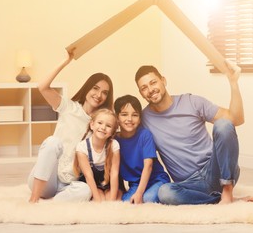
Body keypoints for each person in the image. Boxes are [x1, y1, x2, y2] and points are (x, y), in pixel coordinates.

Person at [134, 60, 253, 205]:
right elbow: (123, 132)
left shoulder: (192, 102)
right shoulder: (144, 119)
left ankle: (227, 192)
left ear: (163, 81)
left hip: (216, 171)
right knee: (165, 193)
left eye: (153, 82)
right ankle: (220, 200)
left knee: (223, 124)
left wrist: (233, 83)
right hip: (189, 184)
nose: (150, 89)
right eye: (144, 88)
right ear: (141, 94)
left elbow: (236, 119)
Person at [27, 49, 114, 203]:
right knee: (53, 142)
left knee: (85, 190)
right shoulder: (69, 107)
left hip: (67, 184)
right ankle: (33, 200)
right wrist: (65, 62)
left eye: (104, 92)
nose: (99, 95)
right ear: (87, 88)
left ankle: (51, 205)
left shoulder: (101, 125)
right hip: (45, 179)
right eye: (95, 88)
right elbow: (42, 87)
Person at [114, 95, 170, 204]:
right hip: (135, 184)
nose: (129, 119)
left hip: (156, 180)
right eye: (124, 115)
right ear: (117, 118)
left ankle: (167, 189)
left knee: (147, 199)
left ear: (140, 119)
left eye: (134, 115)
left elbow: (148, 166)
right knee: (126, 203)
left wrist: (139, 193)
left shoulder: (145, 135)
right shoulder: (115, 141)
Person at [74, 108, 123, 201]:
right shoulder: (82, 147)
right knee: (99, 200)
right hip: (92, 183)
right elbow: (88, 176)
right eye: (100, 123)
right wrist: (97, 199)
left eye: (108, 125)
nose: (103, 127)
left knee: (112, 200)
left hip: (110, 183)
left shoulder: (114, 145)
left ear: (113, 131)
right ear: (92, 125)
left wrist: (112, 200)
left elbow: (114, 174)